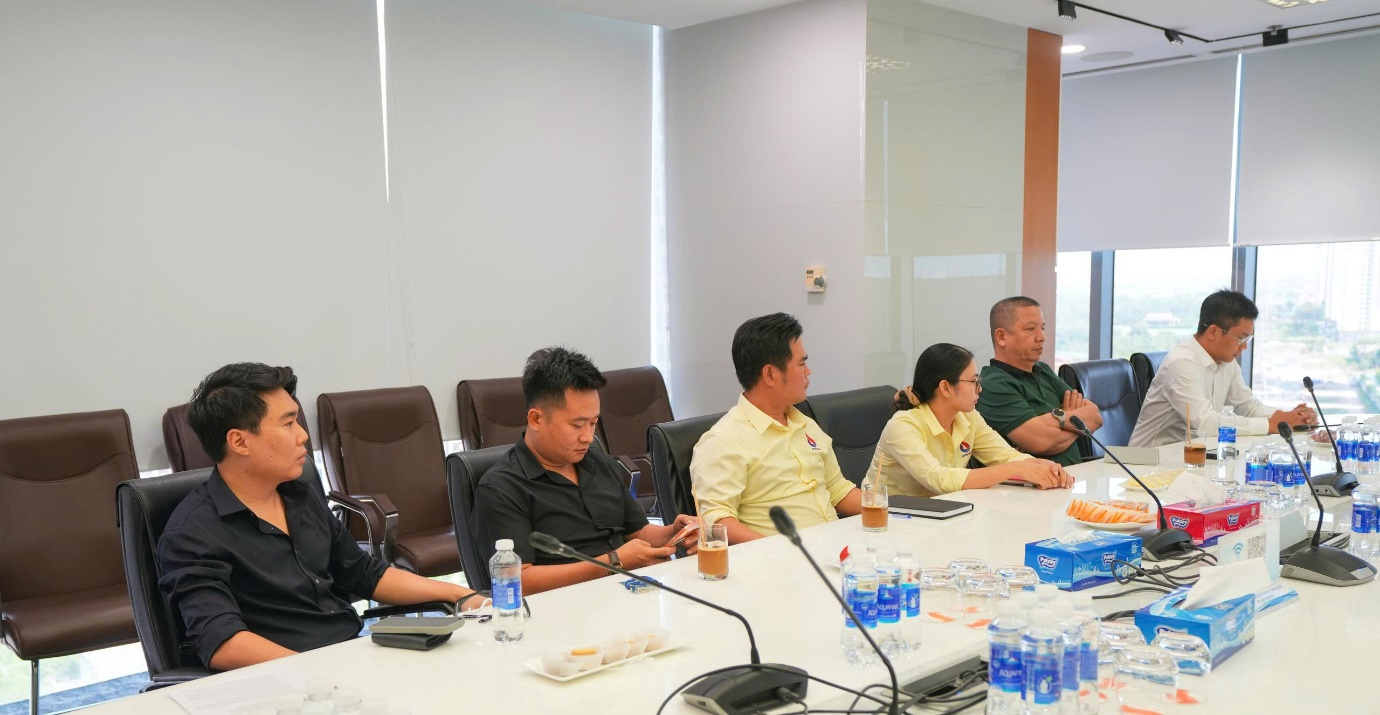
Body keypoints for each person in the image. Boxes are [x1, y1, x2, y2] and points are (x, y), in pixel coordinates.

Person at [159, 364, 478, 671]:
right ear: (239, 441)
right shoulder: (192, 533)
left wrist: (458, 594)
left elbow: (363, 573)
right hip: (288, 680)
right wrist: (318, 675)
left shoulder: (300, 495)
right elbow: (224, 643)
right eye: (288, 424)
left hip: (349, 657)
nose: (302, 436)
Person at [471, 347, 699, 595]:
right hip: (565, 608)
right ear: (536, 419)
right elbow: (518, 581)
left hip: (628, 595)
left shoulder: (600, 463)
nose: (588, 437)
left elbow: (638, 532)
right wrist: (613, 563)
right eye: (577, 425)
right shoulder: (502, 489)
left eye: (593, 423)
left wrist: (673, 532)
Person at [691, 313, 862, 543]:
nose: (808, 371)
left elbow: (838, 490)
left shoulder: (805, 423)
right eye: (801, 363)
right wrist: (777, 548)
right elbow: (717, 520)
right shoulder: (723, 441)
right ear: (770, 374)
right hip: (782, 558)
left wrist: (887, 509)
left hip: (835, 548)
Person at [866, 343, 1074, 497]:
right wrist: (1016, 469)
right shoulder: (902, 426)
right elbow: (938, 479)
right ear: (945, 388)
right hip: (889, 522)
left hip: (944, 514)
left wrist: (1045, 467)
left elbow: (1006, 456)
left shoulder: (968, 417)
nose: (980, 389)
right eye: (974, 381)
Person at [1130, 290, 1317, 447]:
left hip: (1191, 457)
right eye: (1241, 338)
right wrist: (1270, 424)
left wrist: (1285, 417)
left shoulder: (1227, 361)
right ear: (1213, 332)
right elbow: (1206, 424)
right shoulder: (1182, 363)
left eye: (1248, 339)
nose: (1244, 347)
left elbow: (1246, 407)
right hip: (1148, 463)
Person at [976, 296, 1103, 466]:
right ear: (1001, 337)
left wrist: (1054, 419)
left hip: (1077, 475)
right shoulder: (993, 385)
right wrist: (1077, 425)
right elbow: (1042, 442)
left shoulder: (1043, 370)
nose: (1041, 337)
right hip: (1033, 481)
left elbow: (1095, 416)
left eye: (1042, 328)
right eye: (1030, 329)